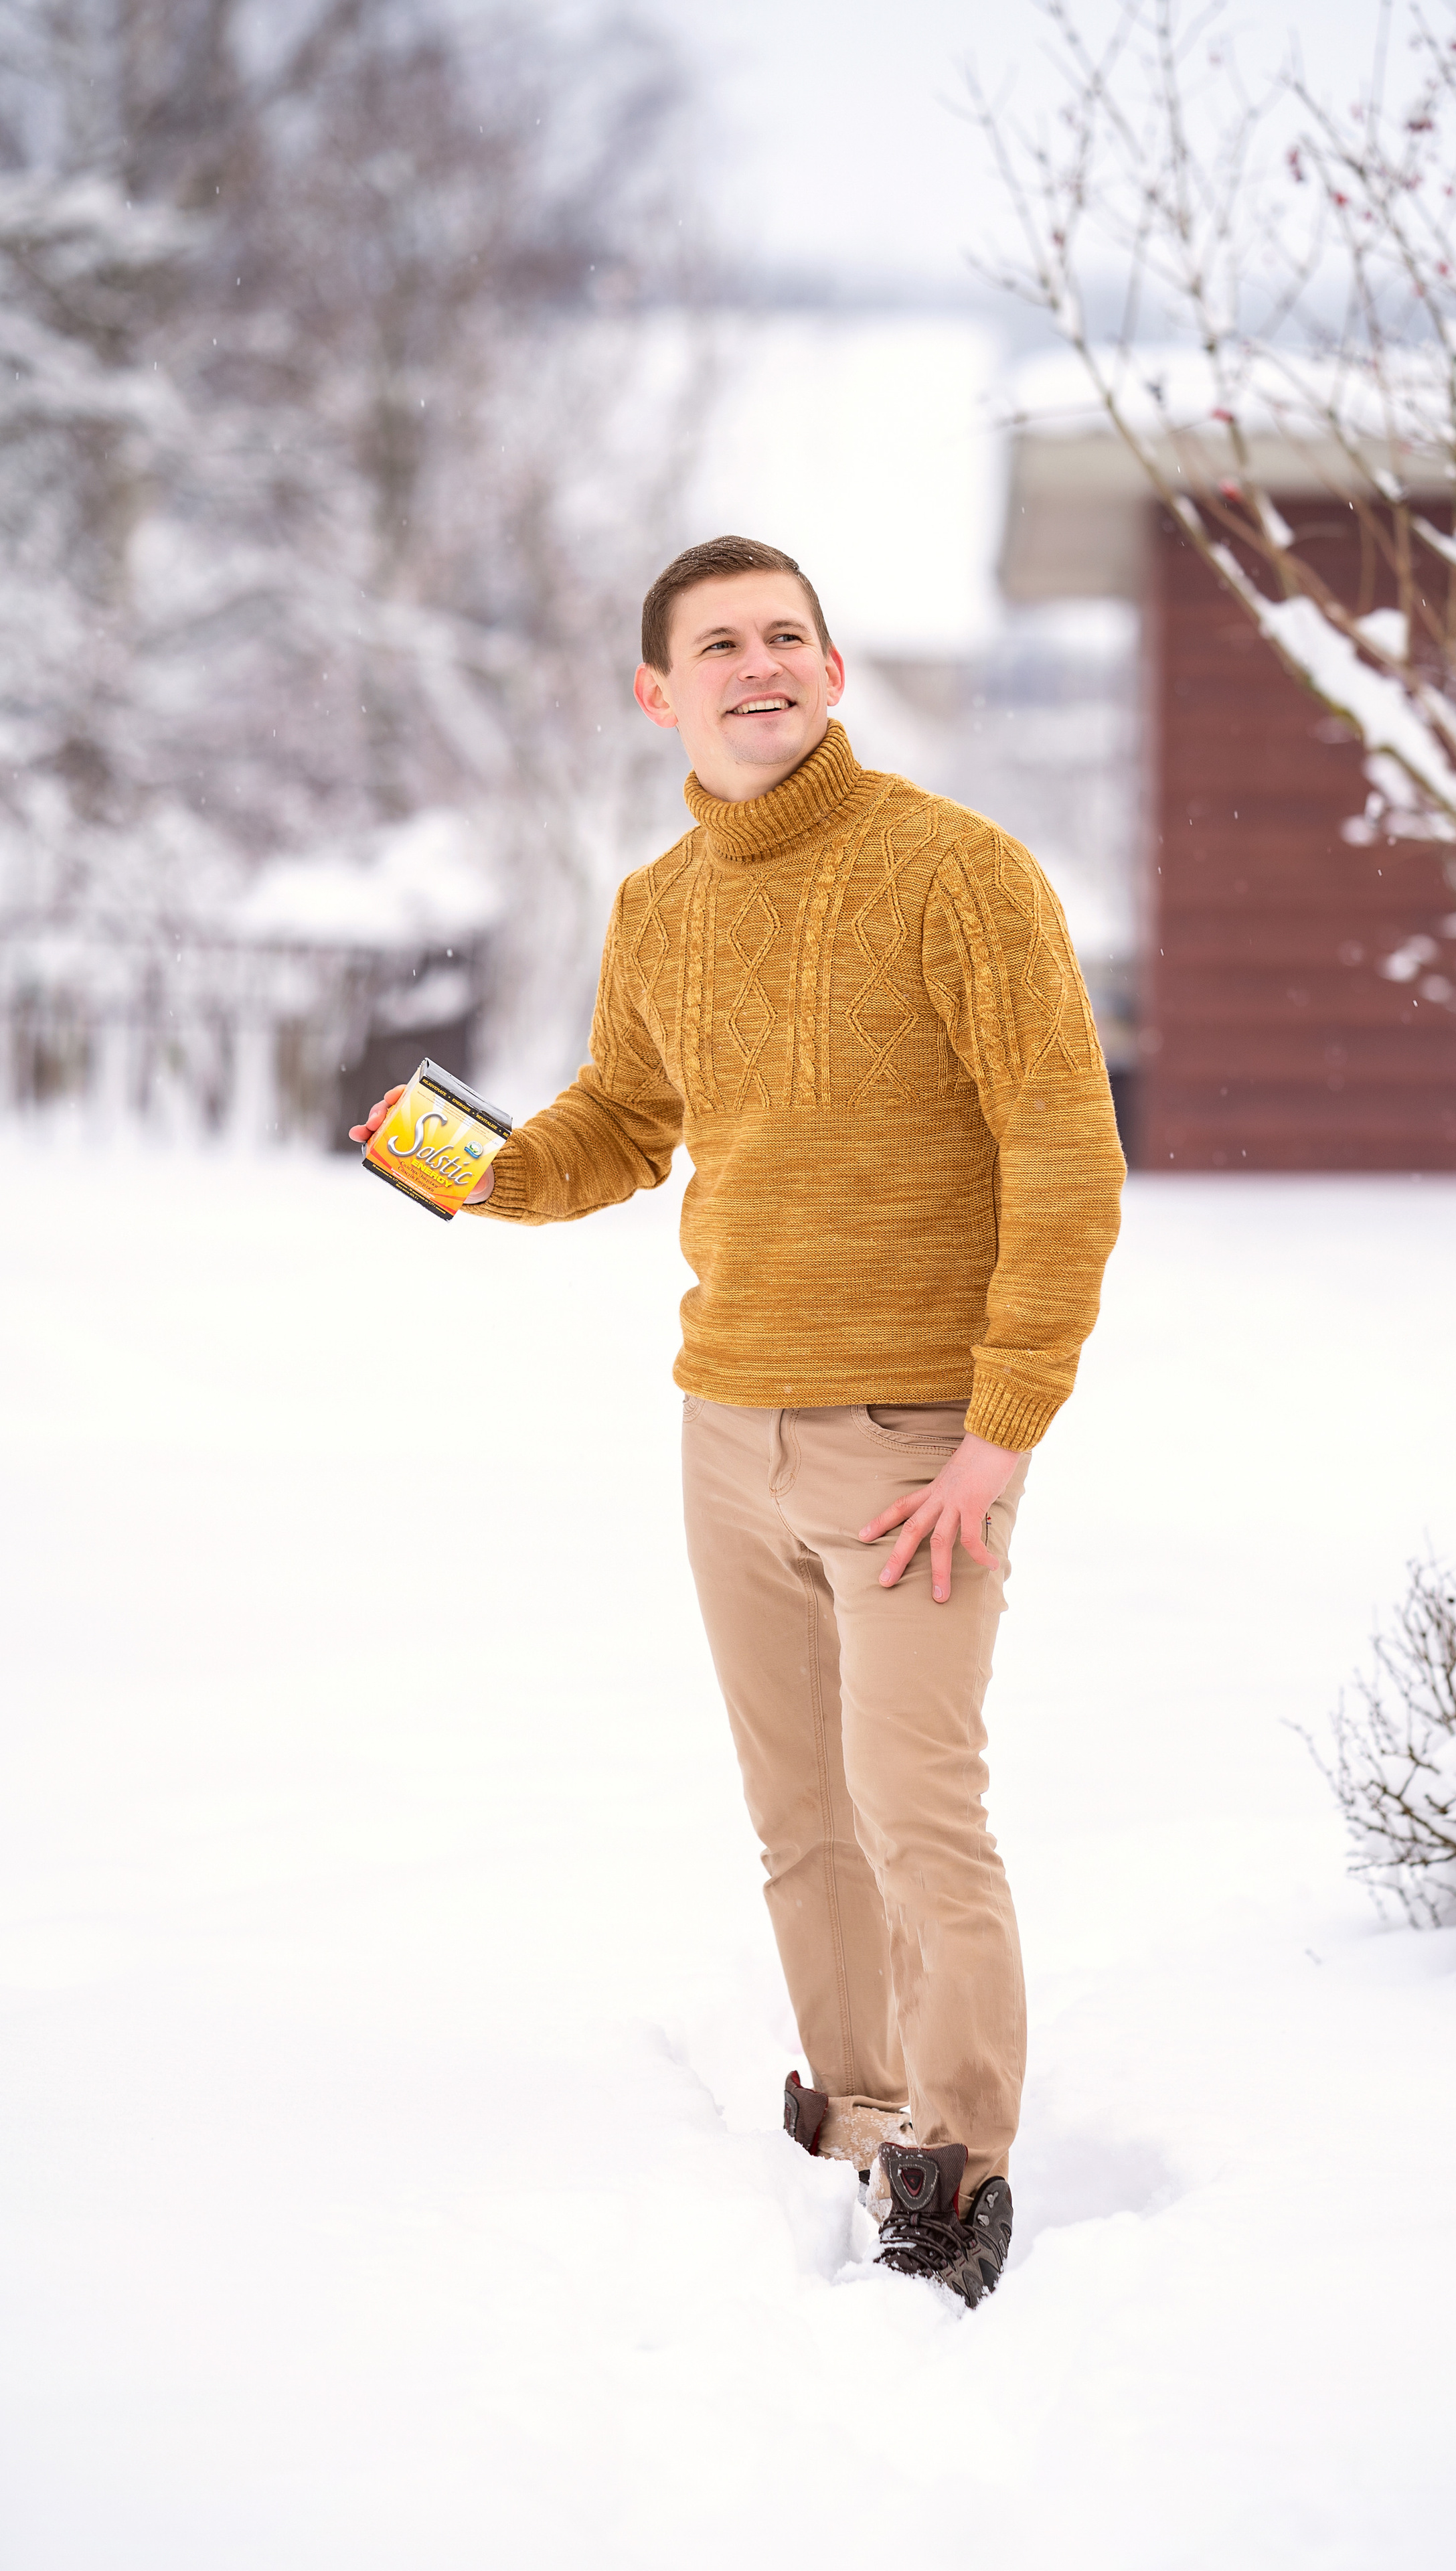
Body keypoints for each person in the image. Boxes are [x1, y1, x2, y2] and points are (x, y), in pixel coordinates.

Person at [350, 536, 1127, 2306]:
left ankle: (956, 2161)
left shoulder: (960, 873)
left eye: (789, 636)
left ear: (834, 673)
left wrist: (1002, 1428)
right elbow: (624, 1125)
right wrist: (463, 1163)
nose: (759, 664)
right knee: (801, 1811)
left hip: (917, 1438)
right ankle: (856, 2107)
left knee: (916, 1803)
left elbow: (1065, 1155)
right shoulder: (661, 905)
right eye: (720, 644)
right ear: (660, 693)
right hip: (727, 1428)